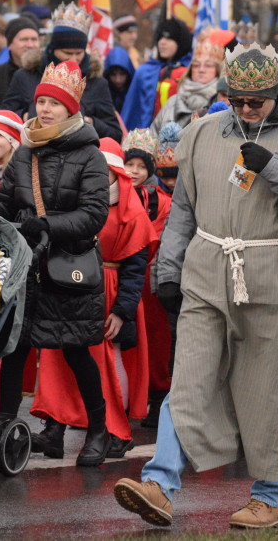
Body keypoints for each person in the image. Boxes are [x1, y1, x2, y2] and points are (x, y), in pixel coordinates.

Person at [113, 43, 278, 529]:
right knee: (189, 378)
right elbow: (184, 212)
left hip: (271, 275)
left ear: (276, 95)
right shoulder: (200, 135)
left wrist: (273, 168)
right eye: (235, 100)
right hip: (207, 271)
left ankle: (268, 496)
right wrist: (168, 270)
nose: (244, 109)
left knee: (266, 389)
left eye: (254, 102)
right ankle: (159, 483)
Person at [0, 59, 111, 467]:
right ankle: (2, 435)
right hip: (25, 270)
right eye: (42, 102)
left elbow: (94, 214)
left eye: (55, 103)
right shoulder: (25, 154)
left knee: (75, 352)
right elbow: (2, 201)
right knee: (14, 350)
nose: (46, 109)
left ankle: (99, 431)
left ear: (72, 109)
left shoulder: (92, 156)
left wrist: (46, 224)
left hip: (67, 269)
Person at [30, 138, 156, 460]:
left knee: (105, 366)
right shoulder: (76, 204)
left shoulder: (132, 212)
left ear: (115, 173)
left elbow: (135, 269)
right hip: (67, 284)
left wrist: (121, 312)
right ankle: (54, 429)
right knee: (56, 358)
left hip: (107, 291)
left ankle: (113, 431)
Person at [0, 2, 121, 141]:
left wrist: (91, 122)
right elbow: (3, 118)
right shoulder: (25, 75)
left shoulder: (97, 82)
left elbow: (115, 133)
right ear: (53, 49)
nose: (74, 59)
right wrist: (24, 116)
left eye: (79, 53)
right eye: (67, 53)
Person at [123, 127, 172, 427]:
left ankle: (156, 398)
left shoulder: (162, 202)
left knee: (155, 343)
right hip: (123, 277)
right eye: (130, 165)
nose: (134, 171)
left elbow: (157, 235)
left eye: (142, 166)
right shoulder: (111, 194)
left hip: (149, 281)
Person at [121, 16, 193, 130]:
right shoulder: (144, 71)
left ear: (181, 42)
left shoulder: (191, 71)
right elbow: (130, 111)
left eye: (169, 38)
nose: (162, 42)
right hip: (143, 138)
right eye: (160, 38)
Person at [149, 31, 224, 133]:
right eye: (196, 65)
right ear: (190, 69)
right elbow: (153, 136)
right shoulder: (173, 102)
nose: (201, 70)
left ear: (217, 70)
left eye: (208, 65)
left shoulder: (224, 103)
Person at [0, 16, 40, 115]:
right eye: (24, 40)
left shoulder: (46, 73)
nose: (30, 45)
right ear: (10, 44)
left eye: (34, 40)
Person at [104, 46, 136, 111]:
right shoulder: (101, 93)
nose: (117, 80)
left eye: (122, 74)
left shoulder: (134, 95)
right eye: (113, 74)